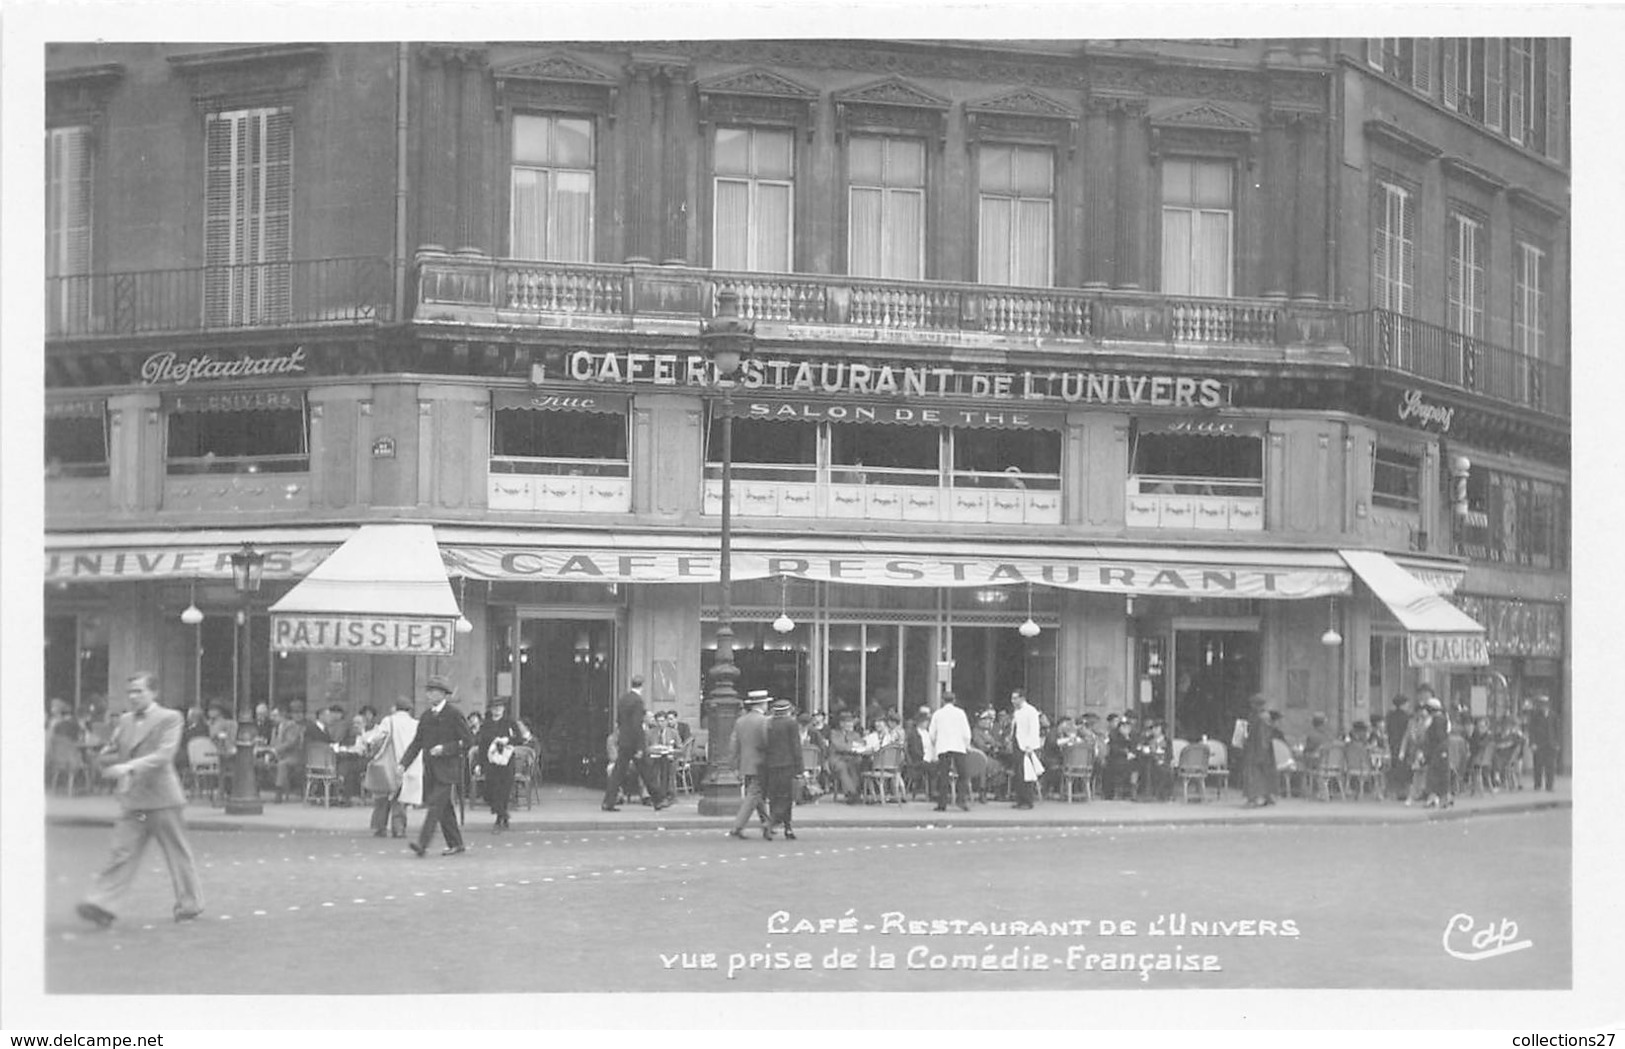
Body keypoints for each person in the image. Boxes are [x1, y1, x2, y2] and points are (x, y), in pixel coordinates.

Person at [76, 672, 204, 928]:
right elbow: (115, 749)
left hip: (163, 798)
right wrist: (103, 756)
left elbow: (164, 755)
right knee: (121, 852)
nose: (133, 697)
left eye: (139, 691)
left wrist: (128, 767)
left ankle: (190, 905)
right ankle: (102, 904)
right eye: (130, 692)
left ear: (153, 693)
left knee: (176, 853)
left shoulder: (170, 718)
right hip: (133, 799)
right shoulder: (124, 720)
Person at [397, 676, 475, 857]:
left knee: (434, 807)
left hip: (448, 770)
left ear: (442, 694)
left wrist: (446, 749)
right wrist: (403, 764)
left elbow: (468, 741)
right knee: (444, 809)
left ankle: (422, 844)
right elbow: (417, 743)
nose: (429, 695)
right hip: (431, 770)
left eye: (433, 692)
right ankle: (456, 843)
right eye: (428, 691)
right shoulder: (426, 717)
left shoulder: (454, 714)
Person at [603, 675, 666, 812]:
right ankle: (659, 800)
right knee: (647, 772)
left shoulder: (623, 699)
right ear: (642, 686)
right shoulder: (638, 702)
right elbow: (637, 725)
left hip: (624, 741)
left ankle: (608, 802)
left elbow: (619, 721)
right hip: (634, 742)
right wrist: (639, 747)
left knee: (617, 773)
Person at [361, 696, 418, 838]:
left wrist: (368, 743)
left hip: (389, 763)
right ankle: (399, 828)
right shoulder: (415, 723)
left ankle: (380, 827)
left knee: (382, 796)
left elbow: (377, 737)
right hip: (409, 764)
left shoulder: (389, 721)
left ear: (395, 708)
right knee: (401, 798)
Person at [475, 699, 532, 832]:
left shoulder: (509, 722)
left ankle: (500, 819)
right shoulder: (486, 724)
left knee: (504, 789)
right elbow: (482, 745)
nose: (497, 710)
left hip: (506, 761)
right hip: (491, 761)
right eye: (494, 707)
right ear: (490, 709)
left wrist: (507, 740)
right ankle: (503, 815)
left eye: (499, 707)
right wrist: (479, 764)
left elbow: (520, 738)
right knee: (491, 791)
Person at [728, 691, 773, 841]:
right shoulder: (765, 721)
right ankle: (738, 826)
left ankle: (767, 823)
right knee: (753, 795)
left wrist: (733, 764)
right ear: (762, 704)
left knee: (756, 795)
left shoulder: (740, 721)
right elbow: (767, 743)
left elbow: (733, 744)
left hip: (745, 763)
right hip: (760, 763)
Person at [762, 697, 803, 839]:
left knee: (774, 797)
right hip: (787, 764)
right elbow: (795, 746)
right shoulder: (791, 724)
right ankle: (776, 823)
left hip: (771, 765)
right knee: (786, 797)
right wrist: (800, 768)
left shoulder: (768, 724)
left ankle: (783, 826)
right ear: (788, 711)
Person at [928, 691, 972, 812]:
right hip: (958, 746)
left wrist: (935, 744)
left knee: (943, 776)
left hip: (943, 747)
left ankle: (942, 804)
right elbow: (966, 732)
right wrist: (966, 745)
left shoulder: (938, 714)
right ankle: (961, 799)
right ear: (954, 700)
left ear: (942, 700)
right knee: (963, 775)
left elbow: (932, 733)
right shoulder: (960, 713)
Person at [1009, 689, 1042, 810]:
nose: (1013, 701)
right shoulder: (1017, 712)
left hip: (1026, 746)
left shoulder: (1030, 711)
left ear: (1022, 698)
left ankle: (1028, 800)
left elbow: (1033, 729)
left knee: (1026, 774)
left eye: (1015, 698)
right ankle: (1020, 799)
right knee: (1018, 774)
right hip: (1017, 744)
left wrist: (1030, 746)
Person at [1240, 694, 1275, 808]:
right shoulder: (1261, 716)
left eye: (1253, 704)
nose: (1251, 706)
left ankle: (1256, 798)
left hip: (1256, 750)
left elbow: (1262, 737)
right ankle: (1262, 796)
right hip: (1257, 749)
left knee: (1254, 774)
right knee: (1259, 774)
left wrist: (1261, 753)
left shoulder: (1261, 718)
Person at [825, 709, 865, 804]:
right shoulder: (834, 733)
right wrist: (851, 747)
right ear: (841, 724)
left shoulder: (855, 734)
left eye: (851, 723)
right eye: (848, 723)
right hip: (837, 758)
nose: (851, 725)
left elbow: (861, 744)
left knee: (856, 764)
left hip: (851, 758)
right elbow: (838, 746)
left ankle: (855, 791)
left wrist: (856, 746)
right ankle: (851, 793)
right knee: (842, 767)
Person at [271, 701, 307, 802]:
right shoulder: (275, 728)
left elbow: (290, 742)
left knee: (282, 764)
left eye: (275, 715)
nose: (272, 718)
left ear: (282, 715)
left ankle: (278, 793)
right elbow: (273, 742)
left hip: (293, 756)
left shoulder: (292, 726)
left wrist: (275, 750)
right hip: (278, 755)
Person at [1421, 696, 1451, 808]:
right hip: (1441, 750)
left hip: (1437, 750)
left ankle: (1437, 798)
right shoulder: (1443, 718)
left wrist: (1430, 749)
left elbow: (1437, 737)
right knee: (1440, 774)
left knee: (1435, 774)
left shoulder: (1437, 720)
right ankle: (1442, 798)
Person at [1526, 695, 1558, 792]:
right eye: (1542, 705)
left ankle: (1549, 786)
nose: (1543, 707)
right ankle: (1538, 785)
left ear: (1548, 705)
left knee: (1550, 766)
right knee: (1538, 766)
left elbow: (1557, 730)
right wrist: (1532, 743)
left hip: (1550, 744)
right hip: (1539, 744)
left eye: (1545, 705)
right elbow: (1531, 730)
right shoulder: (1535, 716)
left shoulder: (1553, 715)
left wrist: (1557, 743)